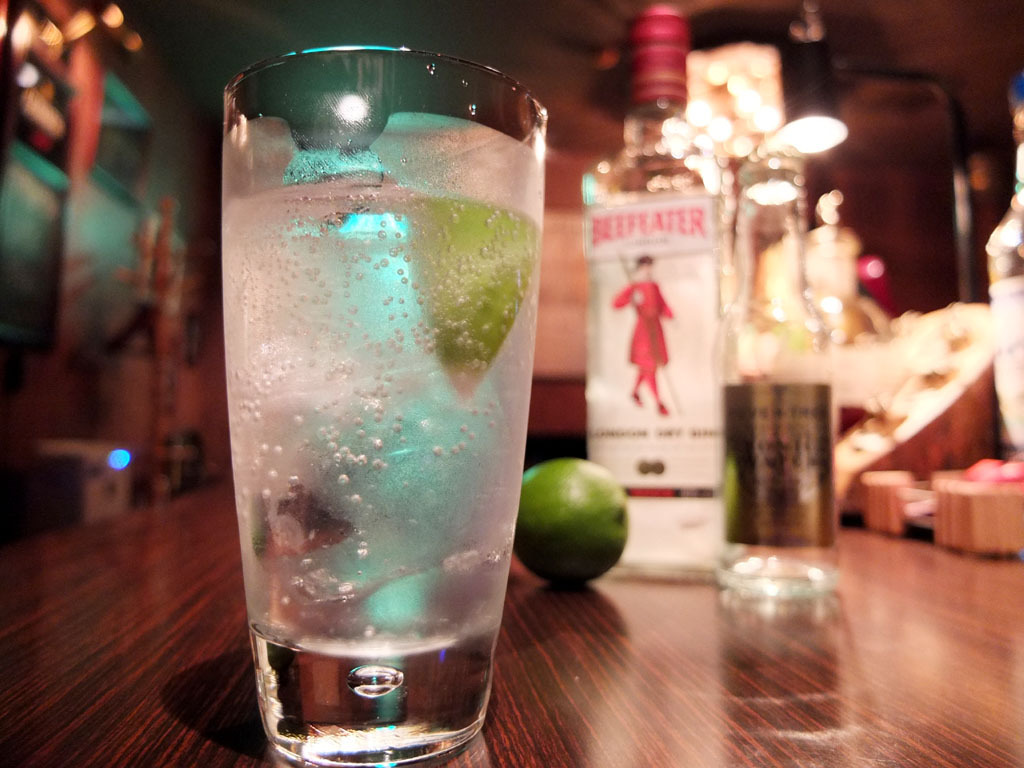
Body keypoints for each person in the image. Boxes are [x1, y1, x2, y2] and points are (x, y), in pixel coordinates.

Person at [613, 255, 672, 416]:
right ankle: (659, 402)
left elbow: (662, 305)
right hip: (643, 331)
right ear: (640, 268)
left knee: (647, 367)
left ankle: (635, 392)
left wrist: (669, 314)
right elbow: (616, 303)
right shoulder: (634, 287)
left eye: (649, 267)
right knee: (649, 366)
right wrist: (631, 299)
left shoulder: (654, 286)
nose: (647, 270)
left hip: (655, 329)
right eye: (645, 267)